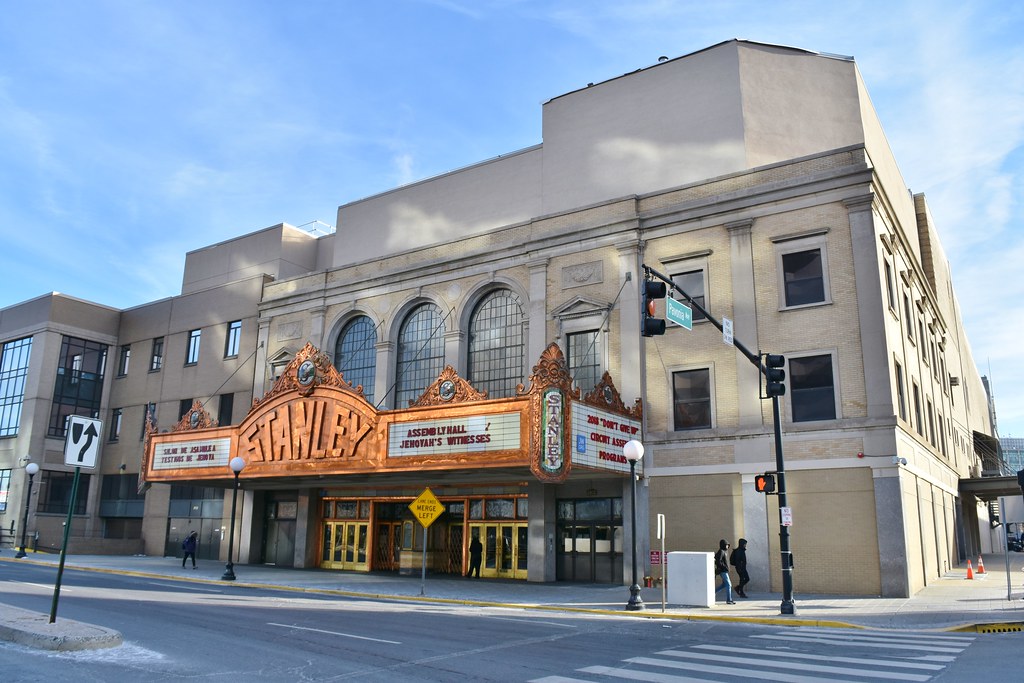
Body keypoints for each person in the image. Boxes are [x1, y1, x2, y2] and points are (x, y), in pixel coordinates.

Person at [714, 539, 735, 604]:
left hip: (725, 570)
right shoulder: (721, 551)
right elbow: (718, 561)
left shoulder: (726, 551)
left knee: (724, 585)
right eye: (726, 545)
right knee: (729, 585)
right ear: (723, 545)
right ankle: (729, 600)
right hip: (723, 571)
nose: (727, 546)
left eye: (728, 545)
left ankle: (712, 593)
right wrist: (724, 567)